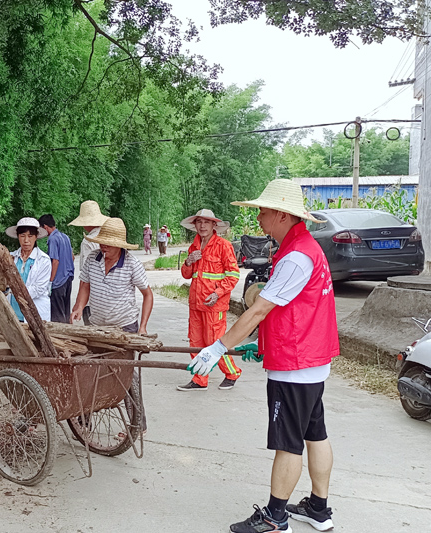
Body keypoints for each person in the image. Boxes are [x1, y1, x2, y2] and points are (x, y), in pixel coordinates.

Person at [189, 179, 338, 533]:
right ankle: (318, 508)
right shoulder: (300, 248)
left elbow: (257, 312)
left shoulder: (297, 256)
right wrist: (262, 342)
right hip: (311, 359)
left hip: (296, 362)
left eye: (264, 211)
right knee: (315, 433)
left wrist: (218, 347)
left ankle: (275, 517)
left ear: (283, 215)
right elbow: (288, 308)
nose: (258, 217)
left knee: (288, 443)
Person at [70, 217, 154, 434]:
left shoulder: (132, 264)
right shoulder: (92, 258)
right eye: (102, 241)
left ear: (120, 244)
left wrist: (142, 327)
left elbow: (147, 295)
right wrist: (79, 306)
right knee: (89, 371)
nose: (103, 245)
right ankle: (83, 422)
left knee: (127, 376)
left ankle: (138, 424)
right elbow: (85, 285)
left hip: (124, 327)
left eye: (108, 242)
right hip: (97, 326)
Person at [178, 209, 241, 391]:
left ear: (214, 225)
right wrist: (188, 261)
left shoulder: (223, 245)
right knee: (195, 342)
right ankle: (199, 379)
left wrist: (218, 293)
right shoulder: (194, 246)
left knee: (216, 341)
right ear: (195, 225)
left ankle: (232, 373)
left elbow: (233, 275)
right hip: (196, 303)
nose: (202, 225)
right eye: (199, 222)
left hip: (215, 304)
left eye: (207, 222)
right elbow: (186, 274)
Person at [68, 200, 109, 326]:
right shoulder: (110, 237)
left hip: (93, 300)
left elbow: (86, 277)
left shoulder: (88, 242)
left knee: (94, 338)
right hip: (111, 300)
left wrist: (79, 303)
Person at [6, 217, 51, 321]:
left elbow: (39, 289)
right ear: (18, 236)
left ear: (36, 237)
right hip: (14, 312)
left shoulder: (43, 260)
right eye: (22, 236)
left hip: (35, 311)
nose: (26, 240)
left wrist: (15, 291)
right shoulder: (10, 257)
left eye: (30, 236)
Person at [39, 214, 74, 323]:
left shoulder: (53, 239)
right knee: (65, 310)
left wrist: (50, 281)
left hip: (58, 282)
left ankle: (61, 336)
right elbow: (72, 257)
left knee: (57, 314)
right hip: (68, 279)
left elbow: (55, 261)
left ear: (45, 227)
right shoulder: (65, 237)